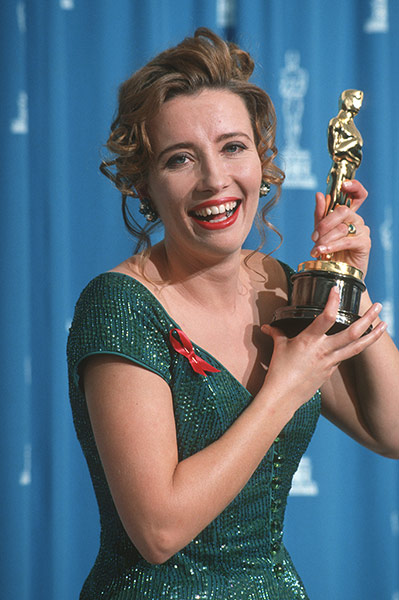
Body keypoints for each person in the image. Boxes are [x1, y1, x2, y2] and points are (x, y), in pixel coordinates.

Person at [67, 28, 399, 600]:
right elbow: (158, 530)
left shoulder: (279, 286)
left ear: (263, 161)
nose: (215, 180)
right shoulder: (118, 305)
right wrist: (282, 391)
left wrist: (344, 284)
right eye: (180, 159)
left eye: (232, 147)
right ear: (144, 183)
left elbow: (391, 430)